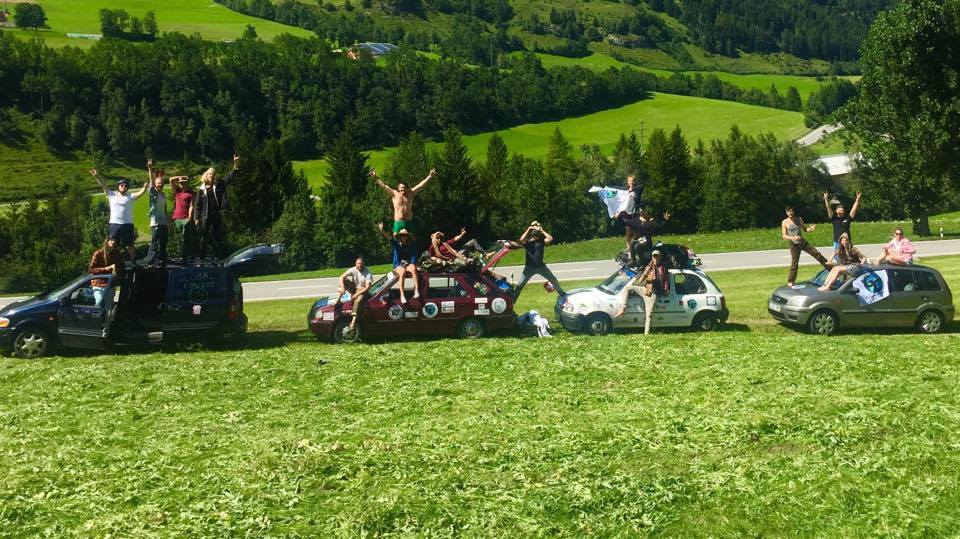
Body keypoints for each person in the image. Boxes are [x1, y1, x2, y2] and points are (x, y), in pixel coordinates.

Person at [90, 168, 148, 263]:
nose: (124, 186)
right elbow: (103, 185)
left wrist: (145, 187)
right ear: (118, 186)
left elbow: (140, 193)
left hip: (127, 225)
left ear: (127, 188)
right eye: (122, 185)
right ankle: (109, 262)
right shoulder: (111, 195)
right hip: (114, 224)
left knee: (130, 245)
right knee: (111, 245)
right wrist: (97, 176)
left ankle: (134, 263)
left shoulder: (130, 196)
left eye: (125, 185)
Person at [193, 154, 239, 258]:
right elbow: (197, 205)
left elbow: (230, 177)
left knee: (217, 237)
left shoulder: (220, 184)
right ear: (206, 175)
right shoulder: (201, 189)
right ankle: (201, 257)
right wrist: (196, 218)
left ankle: (219, 257)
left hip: (216, 215)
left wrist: (235, 164)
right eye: (209, 174)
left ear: (215, 176)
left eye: (213, 174)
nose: (211, 176)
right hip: (205, 216)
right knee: (204, 237)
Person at [614, 250, 669, 334]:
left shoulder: (663, 268)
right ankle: (623, 309)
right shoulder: (649, 267)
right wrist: (644, 274)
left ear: (660, 257)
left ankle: (646, 333)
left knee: (649, 314)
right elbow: (641, 279)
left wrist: (665, 291)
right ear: (652, 257)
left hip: (653, 294)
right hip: (645, 289)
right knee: (627, 287)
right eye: (654, 256)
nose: (655, 258)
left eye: (657, 256)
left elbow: (666, 281)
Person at [371, 168, 436, 234]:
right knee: (396, 239)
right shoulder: (395, 194)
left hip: (409, 222)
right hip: (398, 223)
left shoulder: (411, 193)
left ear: (407, 188)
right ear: (398, 188)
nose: (403, 189)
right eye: (401, 187)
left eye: (405, 187)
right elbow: (384, 186)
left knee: (411, 239)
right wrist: (375, 177)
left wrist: (430, 176)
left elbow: (420, 185)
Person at [512, 222, 566, 298]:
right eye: (535, 236)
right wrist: (529, 228)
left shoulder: (541, 241)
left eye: (537, 236)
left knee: (553, 280)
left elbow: (550, 238)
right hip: (529, 268)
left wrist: (542, 231)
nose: (536, 237)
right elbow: (521, 239)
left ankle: (562, 294)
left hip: (541, 267)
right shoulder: (527, 242)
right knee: (520, 285)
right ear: (532, 235)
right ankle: (513, 300)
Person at [782, 206, 831, 286]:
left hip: (802, 242)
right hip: (793, 244)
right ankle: (791, 281)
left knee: (817, 254)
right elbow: (784, 236)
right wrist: (793, 238)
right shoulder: (784, 222)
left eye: (791, 211)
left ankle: (831, 269)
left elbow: (805, 229)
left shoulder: (799, 219)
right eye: (788, 211)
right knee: (794, 263)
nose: (790, 213)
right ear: (786, 212)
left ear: (793, 211)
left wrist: (810, 229)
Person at [378, 222, 421, 303]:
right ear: (400, 237)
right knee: (402, 272)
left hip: (408, 263)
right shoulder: (396, 244)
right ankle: (402, 295)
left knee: (413, 269)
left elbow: (414, 256)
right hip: (399, 265)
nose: (403, 237)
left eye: (405, 235)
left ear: (407, 236)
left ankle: (416, 291)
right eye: (402, 235)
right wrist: (382, 230)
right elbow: (389, 238)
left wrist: (414, 264)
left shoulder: (411, 245)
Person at [87, 235, 124, 309]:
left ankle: (109, 317)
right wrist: (106, 269)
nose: (113, 242)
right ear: (107, 241)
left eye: (115, 241)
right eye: (111, 240)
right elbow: (91, 270)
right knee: (99, 304)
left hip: (112, 284)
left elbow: (122, 267)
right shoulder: (98, 254)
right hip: (99, 284)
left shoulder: (117, 254)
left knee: (110, 307)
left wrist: (117, 270)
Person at [336, 257, 374, 329]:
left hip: (363, 290)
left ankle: (353, 321)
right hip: (354, 288)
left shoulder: (368, 272)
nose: (360, 265)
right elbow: (341, 277)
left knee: (358, 301)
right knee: (344, 280)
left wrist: (356, 295)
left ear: (364, 264)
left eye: (361, 264)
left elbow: (367, 287)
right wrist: (343, 287)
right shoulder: (353, 269)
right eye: (358, 263)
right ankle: (338, 299)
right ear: (355, 264)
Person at [144, 159, 170, 266]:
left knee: (164, 242)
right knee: (155, 242)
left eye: (162, 183)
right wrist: (150, 168)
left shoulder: (163, 194)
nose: (160, 184)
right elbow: (151, 179)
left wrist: (167, 222)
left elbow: (165, 209)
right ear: (155, 184)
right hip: (155, 222)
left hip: (163, 222)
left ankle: (162, 259)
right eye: (158, 183)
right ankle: (150, 261)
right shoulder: (153, 193)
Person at [824, 191, 862, 256]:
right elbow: (828, 207)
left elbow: (854, 209)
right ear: (836, 211)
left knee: (850, 258)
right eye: (840, 209)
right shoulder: (834, 218)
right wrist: (826, 199)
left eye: (842, 210)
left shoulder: (848, 218)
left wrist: (858, 199)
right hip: (837, 242)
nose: (841, 211)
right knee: (838, 259)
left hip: (847, 242)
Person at [169, 172, 195, 259]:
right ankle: (180, 255)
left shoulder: (190, 193)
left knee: (185, 238)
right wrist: (180, 176)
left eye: (183, 182)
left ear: (186, 183)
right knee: (179, 238)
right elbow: (171, 180)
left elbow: (192, 206)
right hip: (176, 218)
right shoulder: (177, 191)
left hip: (185, 218)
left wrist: (189, 217)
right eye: (180, 183)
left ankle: (185, 256)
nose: (182, 184)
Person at [616, 174, 644, 248]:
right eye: (630, 181)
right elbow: (617, 188)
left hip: (636, 212)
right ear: (627, 182)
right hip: (627, 213)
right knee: (629, 230)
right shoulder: (625, 189)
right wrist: (606, 187)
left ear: (635, 181)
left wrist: (632, 189)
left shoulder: (638, 188)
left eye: (633, 181)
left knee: (637, 230)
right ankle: (629, 247)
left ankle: (636, 246)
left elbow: (642, 186)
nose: (632, 182)